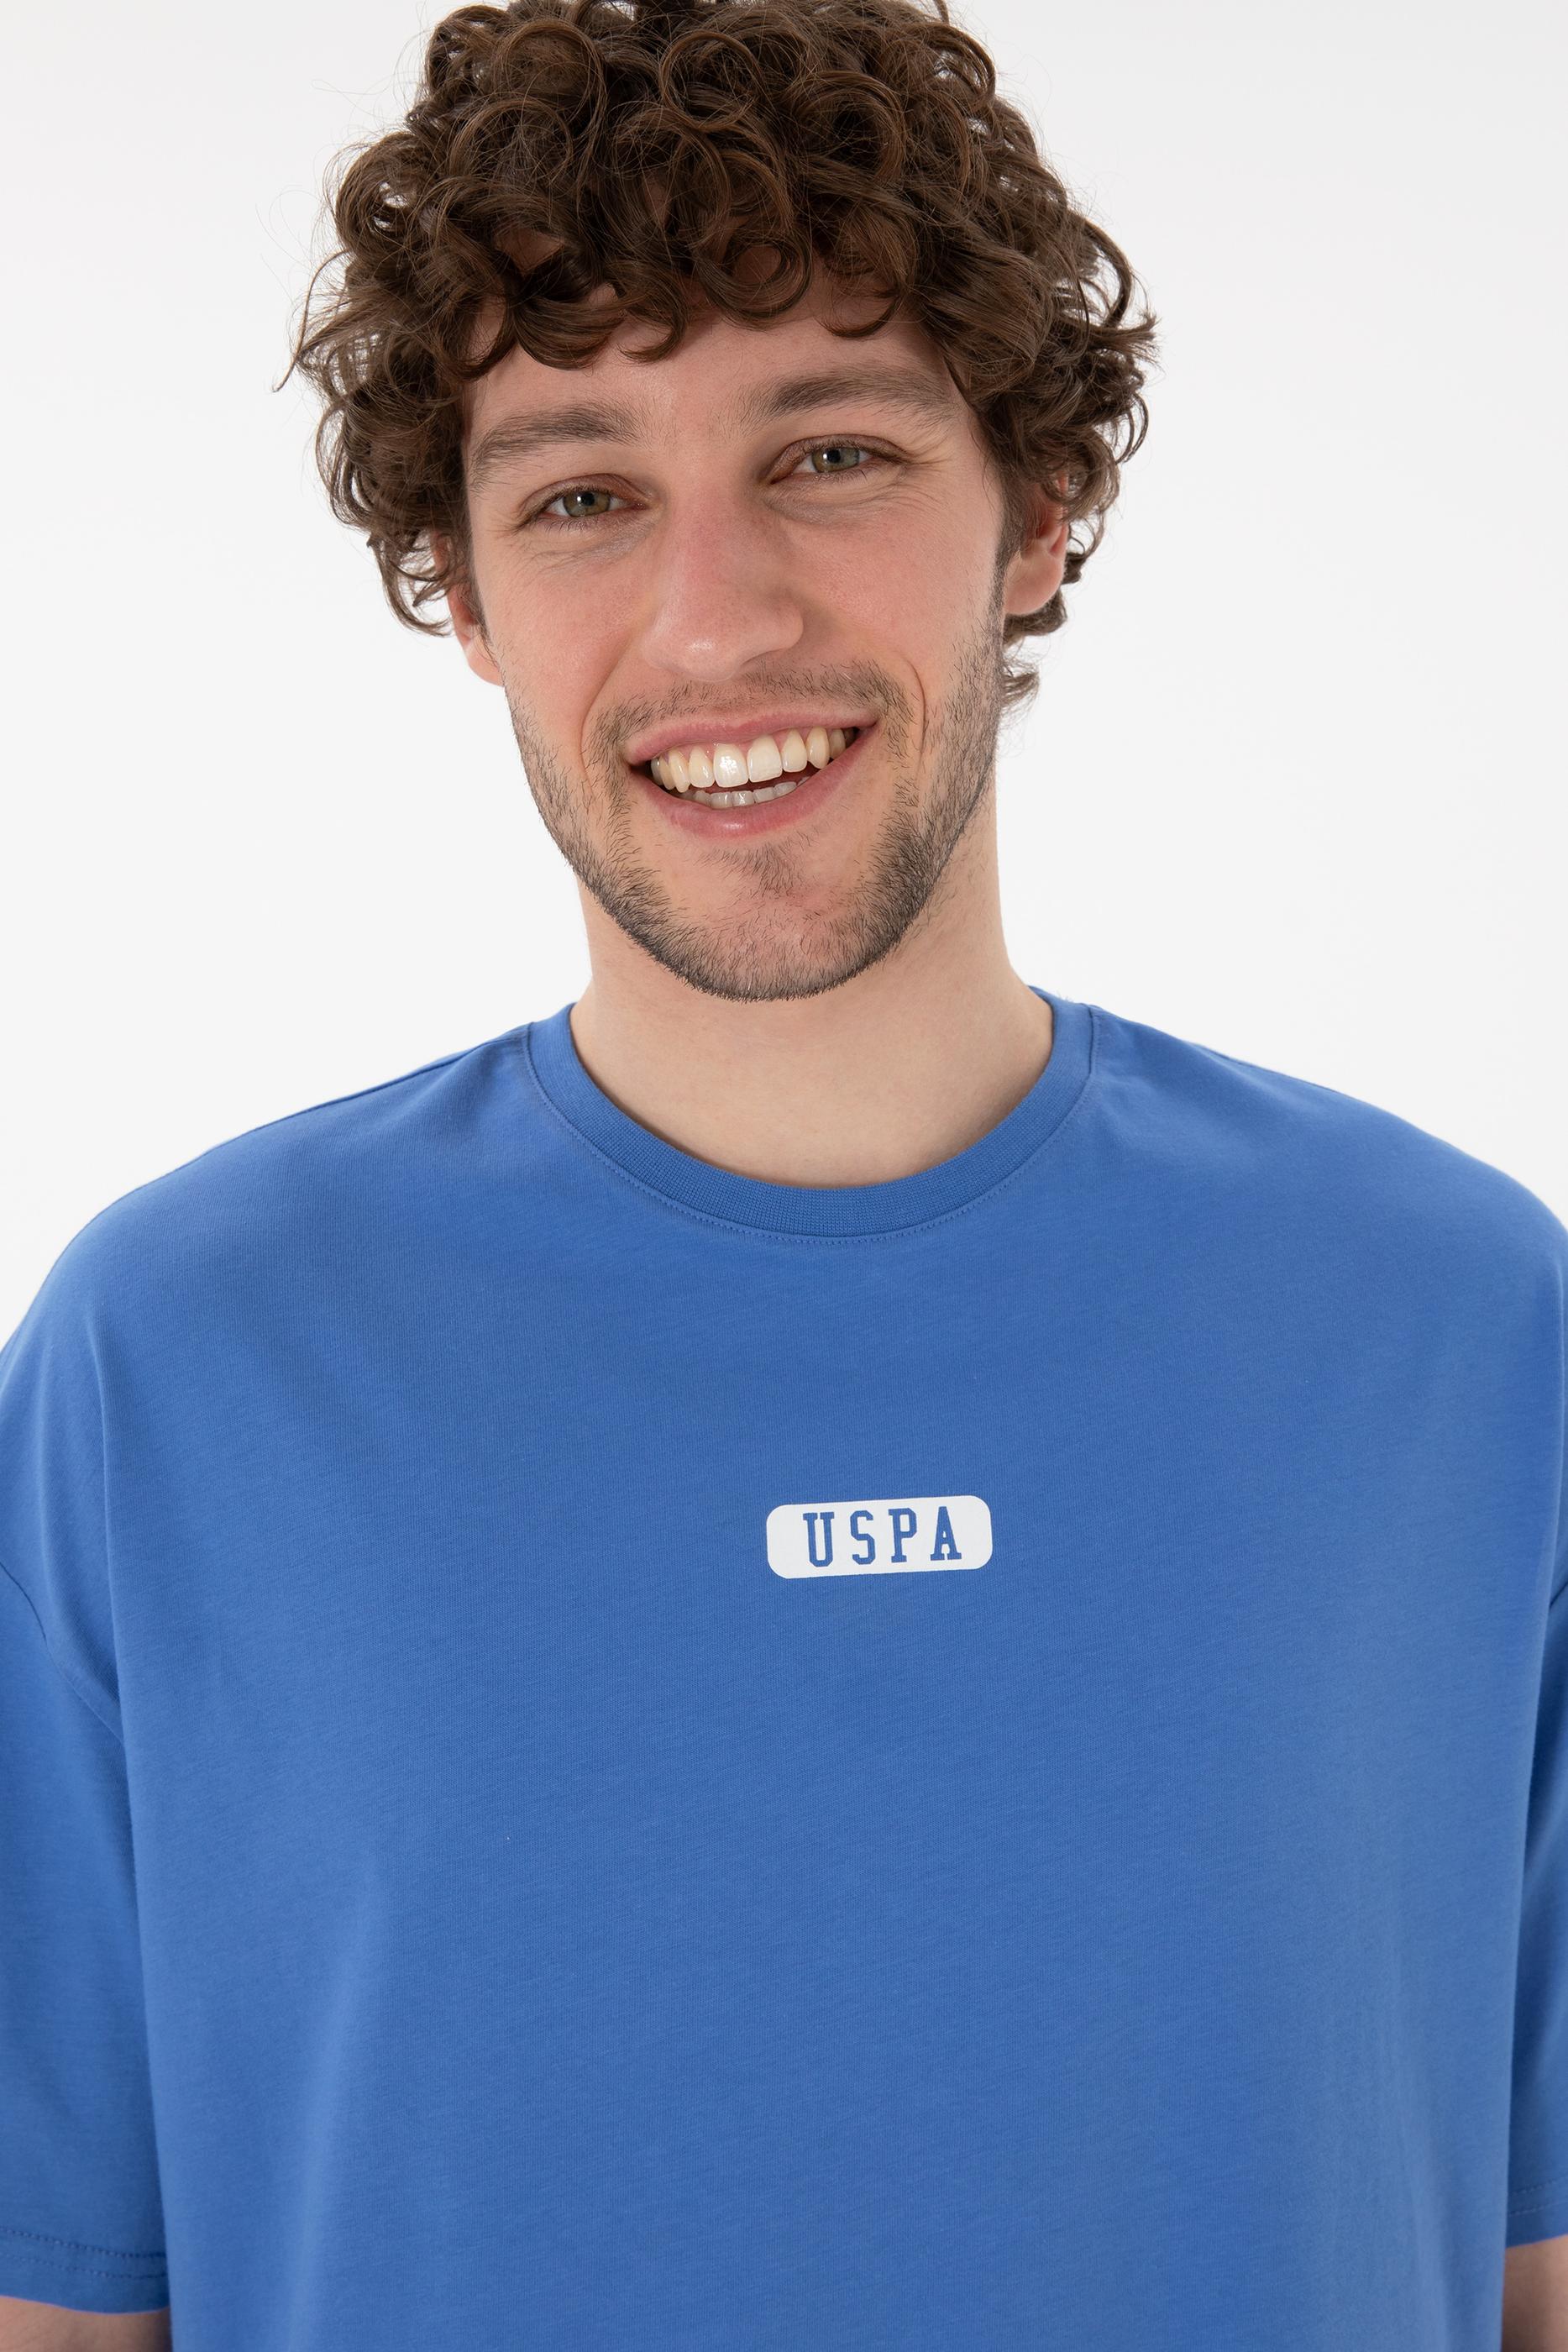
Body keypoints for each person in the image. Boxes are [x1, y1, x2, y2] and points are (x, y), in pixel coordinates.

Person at [2, 0, 1564, 2344]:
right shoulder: (175, 1364)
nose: (717, 617)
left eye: (829, 452)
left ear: (1041, 514)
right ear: (462, 595)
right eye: (580, 495)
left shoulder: (1459, 1329)